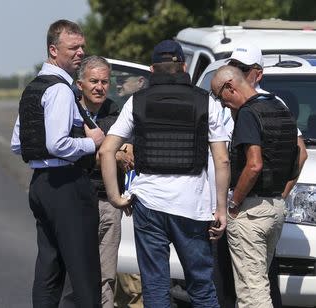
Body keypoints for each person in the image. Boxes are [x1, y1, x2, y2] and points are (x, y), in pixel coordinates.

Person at [99, 40, 230, 308]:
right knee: (201, 286)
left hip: (149, 205)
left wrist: (115, 196)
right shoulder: (207, 102)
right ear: (183, 66)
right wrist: (221, 208)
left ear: (152, 69)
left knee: (155, 287)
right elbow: (222, 159)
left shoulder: (137, 101)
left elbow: (106, 151)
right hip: (192, 206)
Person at [10, 20, 105, 308]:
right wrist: (93, 143)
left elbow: (18, 142)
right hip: (66, 185)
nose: (80, 53)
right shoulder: (61, 90)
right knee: (84, 270)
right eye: (73, 48)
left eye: (82, 47)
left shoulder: (33, 88)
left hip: (41, 184)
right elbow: (57, 144)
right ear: (54, 50)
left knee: (49, 269)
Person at [210, 42, 308, 308]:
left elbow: (253, 165)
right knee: (258, 283)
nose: (222, 103)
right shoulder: (277, 105)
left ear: (231, 86)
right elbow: (300, 153)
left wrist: (233, 204)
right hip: (273, 207)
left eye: (221, 97)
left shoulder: (247, 113)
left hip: (249, 210)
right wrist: (281, 193)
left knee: (252, 292)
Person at [59, 56, 131, 308]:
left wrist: (115, 154)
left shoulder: (116, 112)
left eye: (104, 81)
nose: (100, 87)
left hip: (109, 202)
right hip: (77, 203)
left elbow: (129, 152)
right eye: (93, 81)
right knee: (73, 274)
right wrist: (112, 154)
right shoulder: (69, 112)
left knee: (107, 275)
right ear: (80, 84)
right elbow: (72, 152)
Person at [114, 73, 148, 308]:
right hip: (121, 202)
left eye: (125, 79)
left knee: (134, 285)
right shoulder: (121, 111)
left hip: (137, 205)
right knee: (117, 284)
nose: (118, 83)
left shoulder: (145, 112)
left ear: (141, 81)